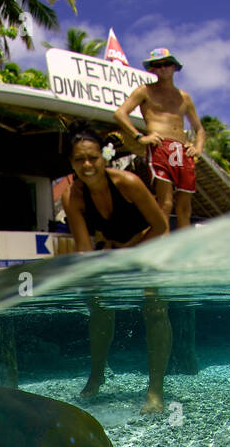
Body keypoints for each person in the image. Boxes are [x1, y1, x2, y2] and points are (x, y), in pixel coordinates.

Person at [61, 122, 170, 413]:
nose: (87, 165)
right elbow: (84, 249)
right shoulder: (72, 197)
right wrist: (94, 277)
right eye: (78, 159)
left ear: (103, 156)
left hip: (150, 246)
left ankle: (155, 391)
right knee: (97, 304)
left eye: (92, 157)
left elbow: (161, 225)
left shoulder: (129, 183)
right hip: (112, 253)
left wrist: (128, 252)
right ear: (70, 162)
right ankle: (96, 375)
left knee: (154, 306)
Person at [114, 48, 204, 230]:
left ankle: (184, 249)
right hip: (160, 147)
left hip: (183, 149)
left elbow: (199, 129)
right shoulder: (144, 91)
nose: (162, 68)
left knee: (184, 207)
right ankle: (162, 244)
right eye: (157, 65)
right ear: (152, 69)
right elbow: (120, 113)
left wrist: (198, 148)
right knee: (166, 202)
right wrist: (139, 137)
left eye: (166, 64)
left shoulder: (184, 97)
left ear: (174, 67)